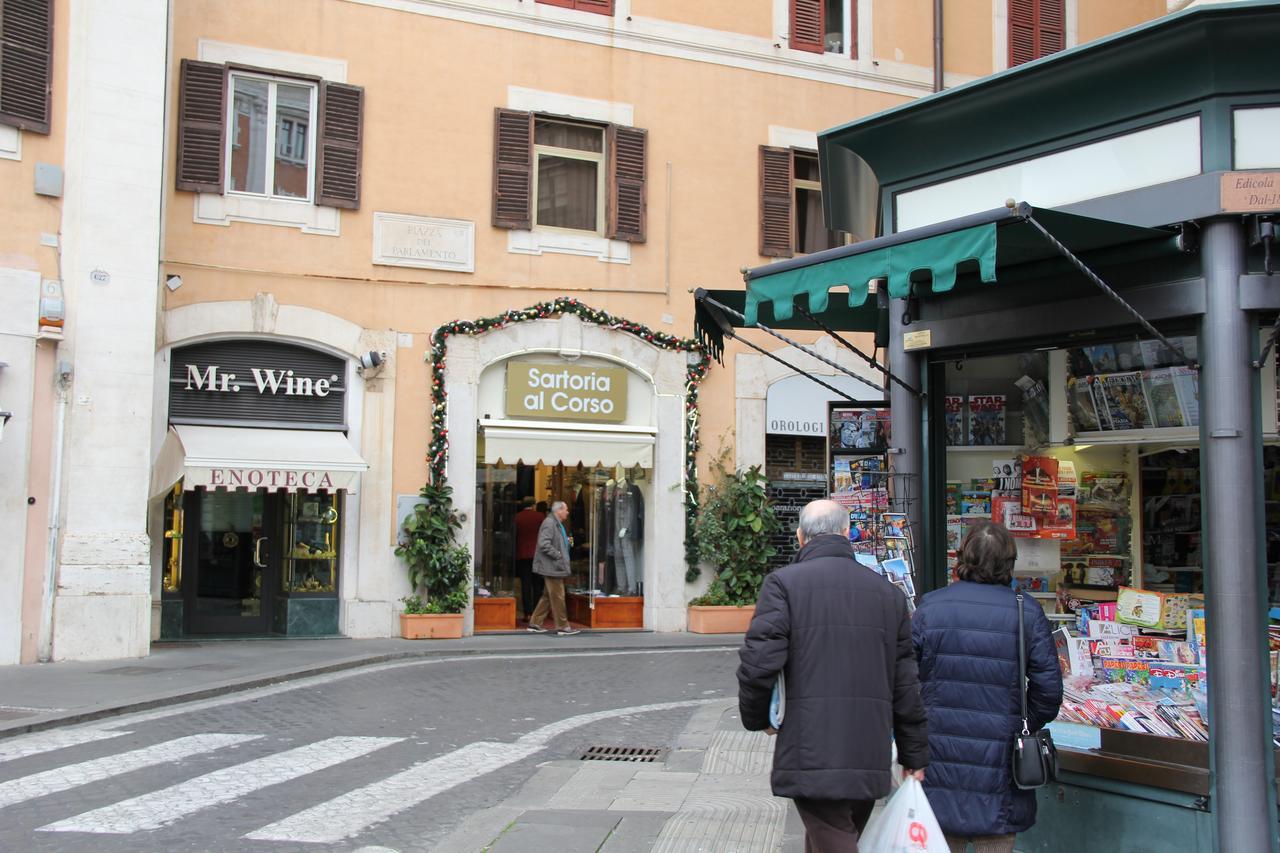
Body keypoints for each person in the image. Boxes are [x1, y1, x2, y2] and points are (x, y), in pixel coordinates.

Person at [738, 499, 929, 852]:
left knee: (833, 837)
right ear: (846, 534)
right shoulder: (889, 594)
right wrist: (913, 754)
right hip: (868, 746)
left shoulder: (783, 585)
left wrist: (757, 719)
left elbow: (758, 663)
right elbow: (906, 683)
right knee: (835, 835)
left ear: (800, 537)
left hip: (809, 746)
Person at [912, 520, 1064, 853]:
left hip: (939, 751)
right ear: (1009, 562)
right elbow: (1048, 690)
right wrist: (1022, 722)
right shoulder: (1027, 611)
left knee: (939, 837)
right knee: (995, 837)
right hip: (1002, 758)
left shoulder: (930, 607)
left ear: (962, 556)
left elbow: (903, 679)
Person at [527, 500, 580, 636]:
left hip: (553, 566)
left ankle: (535, 623)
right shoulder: (550, 523)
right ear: (559, 511)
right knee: (558, 596)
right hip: (552, 567)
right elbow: (544, 543)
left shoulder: (555, 523)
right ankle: (563, 627)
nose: (568, 512)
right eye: (566, 510)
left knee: (547, 596)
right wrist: (557, 554)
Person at [513, 497, 545, 620]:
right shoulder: (540, 517)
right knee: (537, 583)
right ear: (533, 505)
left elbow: (514, 535)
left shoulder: (517, 517)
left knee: (525, 584)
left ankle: (528, 613)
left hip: (522, 555)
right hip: (537, 555)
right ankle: (537, 612)